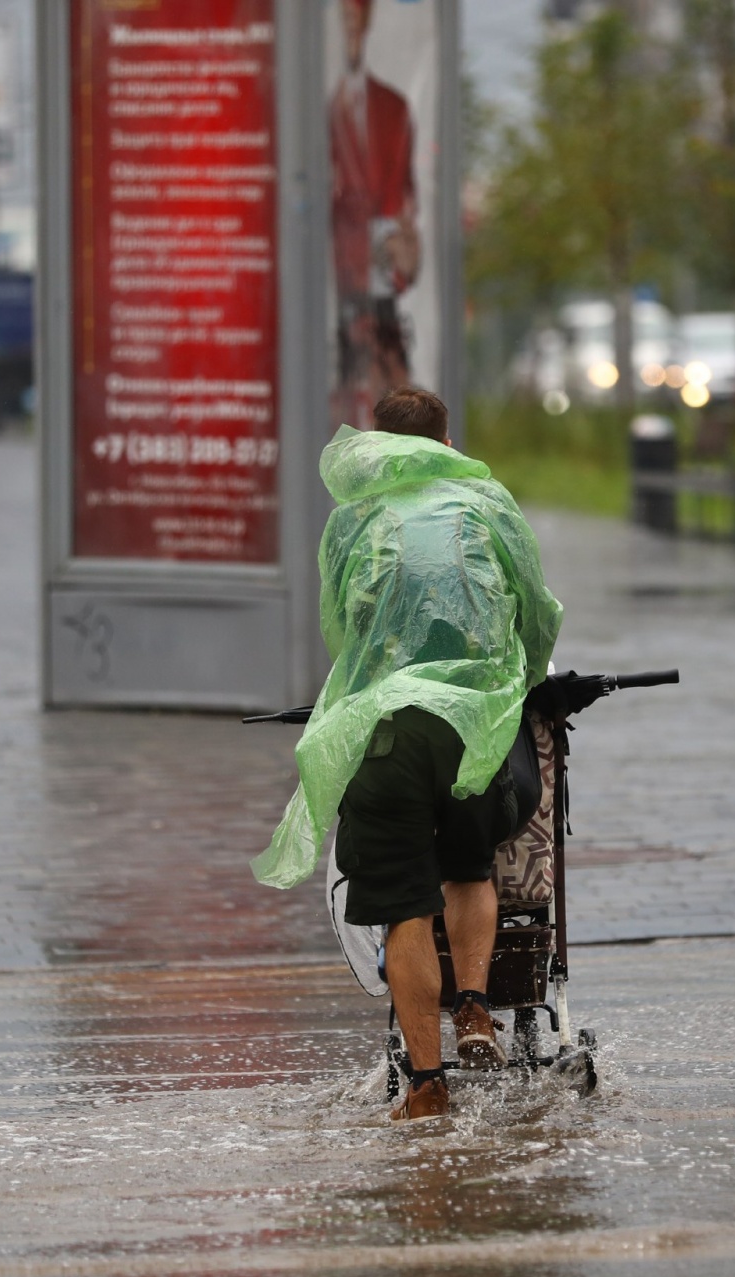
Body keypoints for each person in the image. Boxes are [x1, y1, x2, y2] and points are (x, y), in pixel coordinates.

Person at [252, 387, 562, 1124]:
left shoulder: (352, 520)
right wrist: (520, 680)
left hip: (387, 733)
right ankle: (479, 1010)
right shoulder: (487, 505)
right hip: (476, 732)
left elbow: (341, 626)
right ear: (446, 437)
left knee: (402, 912)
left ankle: (426, 1087)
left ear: (375, 441)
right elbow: (537, 615)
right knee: (469, 865)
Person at [329, 0, 422, 429]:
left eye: (354, 22)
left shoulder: (393, 108)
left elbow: (405, 204)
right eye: (342, 22)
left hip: (375, 284)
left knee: (382, 387)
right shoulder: (310, 110)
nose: (348, 34)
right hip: (335, 277)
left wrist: (398, 260)